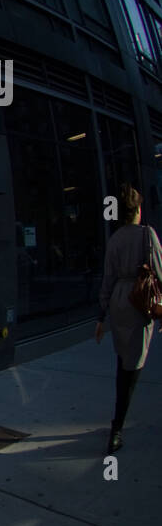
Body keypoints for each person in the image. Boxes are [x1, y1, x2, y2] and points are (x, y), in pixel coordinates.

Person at [94, 184, 162, 453]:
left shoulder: (114, 240)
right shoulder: (148, 235)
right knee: (132, 367)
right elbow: (159, 271)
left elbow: (107, 280)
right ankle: (117, 427)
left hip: (119, 303)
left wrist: (101, 316)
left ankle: (117, 420)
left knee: (125, 360)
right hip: (139, 301)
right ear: (138, 210)